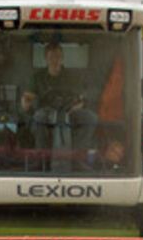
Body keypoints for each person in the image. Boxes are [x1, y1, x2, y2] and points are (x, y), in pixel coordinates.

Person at [32, 39, 98, 168]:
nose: (55, 60)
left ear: (62, 58)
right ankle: (41, 161)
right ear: (46, 58)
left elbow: (82, 98)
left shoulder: (73, 77)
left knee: (91, 118)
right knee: (38, 117)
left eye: (58, 56)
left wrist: (79, 105)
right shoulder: (38, 77)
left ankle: (77, 158)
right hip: (46, 113)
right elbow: (30, 97)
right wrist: (28, 102)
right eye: (52, 56)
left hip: (70, 112)